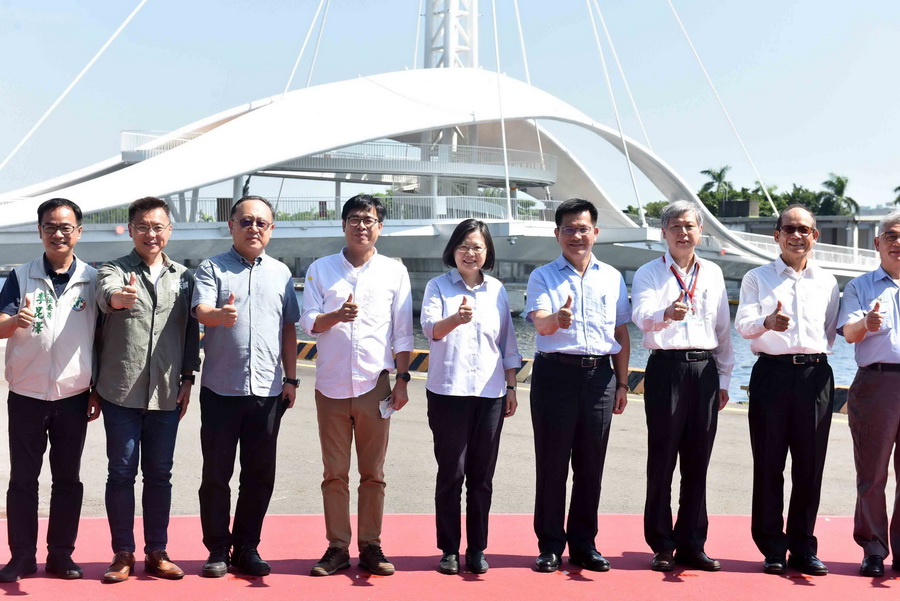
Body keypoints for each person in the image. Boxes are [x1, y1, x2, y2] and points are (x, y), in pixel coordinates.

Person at [300, 194, 413, 577]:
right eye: (353, 219)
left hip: (375, 385)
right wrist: (336, 315)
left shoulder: (394, 272)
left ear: (380, 226)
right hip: (330, 386)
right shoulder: (321, 269)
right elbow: (309, 322)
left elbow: (402, 332)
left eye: (369, 219)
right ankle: (336, 546)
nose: (361, 226)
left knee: (373, 472)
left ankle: (370, 544)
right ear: (343, 225)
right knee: (334, 472)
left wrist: (401, 381)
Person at [192, 195, 300, 578]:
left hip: (268, 393)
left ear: (271, 229)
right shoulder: (212, 269)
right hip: (221, 390)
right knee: (216, 475)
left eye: (262, 223)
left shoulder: (282, 274)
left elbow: (289, 328)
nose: (254, 228)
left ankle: (247, 547)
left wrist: (291, 377)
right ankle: (218, 548)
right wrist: (218, 316)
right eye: (246, 221)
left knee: (259, 475)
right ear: (231, 225)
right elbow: (201, 310)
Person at [94, 197, 200, 583]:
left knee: (159, 474)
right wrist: (118, 299)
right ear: (130, 229)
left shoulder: (185, 277)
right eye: (143, 226)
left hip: (167, 391)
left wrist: (189, 377)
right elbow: (106, 296)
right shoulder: (112, 270)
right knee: (120, 472)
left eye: (158, 227)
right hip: (119, 389)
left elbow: (191, 334)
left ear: (169, 231)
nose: (151, 233)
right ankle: (122, 553)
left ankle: (157, 551)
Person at [525, 197, 630, 573]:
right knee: (552, 464)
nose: (576, 235)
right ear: (557, 234)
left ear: (596, 233)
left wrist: (622, 382)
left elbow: (620, 331)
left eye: (583, 228)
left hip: (599, 377)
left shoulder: (612, 277)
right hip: (555, 375)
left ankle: (585, 544)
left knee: (591, 465)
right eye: (568, 229)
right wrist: (558, 318)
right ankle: (550, 544)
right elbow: (538, 323)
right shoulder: (543, 276)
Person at [735, 204, 839, 576]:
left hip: (815, 377)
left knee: (810, 467)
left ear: (815, 236)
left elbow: (830, 331)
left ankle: (803, 547)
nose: (797, 235)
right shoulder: (757, 278)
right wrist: (768, 321)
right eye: (789, 228)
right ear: (776, 234)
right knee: (769, 463)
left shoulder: (827, 282)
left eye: (804, 229)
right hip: (772, 376)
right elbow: (743, 325)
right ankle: (772, 547)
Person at [0, 198, 100, 582]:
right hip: (25, 393)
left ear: (78, 231)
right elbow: (1, 323)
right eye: (49, 227)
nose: (58, 234)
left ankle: (61, 554)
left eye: (65, 227)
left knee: (67, 479)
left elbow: (102, 339)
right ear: (39, 231)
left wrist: (96, 389)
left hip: (73, 395)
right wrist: (13, 322)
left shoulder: (92, 279)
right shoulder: (20, 275)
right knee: (22, 479)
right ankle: (22, 556)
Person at [631, 200, 734, 572]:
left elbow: (722, 330)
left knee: (698, 461)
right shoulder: (648, 273)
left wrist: (724, 377)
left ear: (700, 231)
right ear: (664, 232)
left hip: (704, 370)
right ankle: (661, 543)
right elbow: (640, 317)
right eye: (675, 226)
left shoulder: (713, 273)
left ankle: (692, 542)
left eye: (689, 226)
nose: (683, 232)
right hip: (666, 369)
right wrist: (665, 314)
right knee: (661, 459)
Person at [420, 219, 522, 575]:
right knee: (452, 472)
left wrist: (511, 387)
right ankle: (449, 548)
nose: (470, 253)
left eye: (477, 247)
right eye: (464, 246)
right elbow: (430, 330)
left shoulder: (496, 290)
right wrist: (455, 319)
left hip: (490, 393)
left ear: (487, 252)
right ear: (453, 250)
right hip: (448, 392)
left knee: (481, 476)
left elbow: (508, 342)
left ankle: (477, 547)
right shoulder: (437, 286)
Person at [838, 211, 900, 577]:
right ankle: (873, 549)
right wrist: (867, 323)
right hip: (877, 384)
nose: (897, 242)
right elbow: (848, 332)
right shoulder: (860, 286)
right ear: (877, 243)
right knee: (873, 474)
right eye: (890, 236)